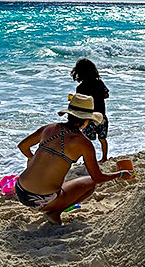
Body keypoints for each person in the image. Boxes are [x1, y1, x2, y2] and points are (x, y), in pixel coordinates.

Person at [16, 94, 134, 225]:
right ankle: (55, 212)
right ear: (87, 120)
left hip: (20, 190)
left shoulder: (49, 128)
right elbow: (97, 177)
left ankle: (53, 206)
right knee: (90, 184)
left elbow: (23, 146)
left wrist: (32, 159)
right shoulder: (83, 143)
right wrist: (120, 174)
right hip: (42, 200)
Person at [71, 58, 110, 162]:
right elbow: (106, 95)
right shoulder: (99, 83)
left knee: (87, 141)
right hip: (101, 116)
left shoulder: (80, 87)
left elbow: (80, 103)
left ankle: (88, 160)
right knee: (102, 139)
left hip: (88, 117)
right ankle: (104, 158)